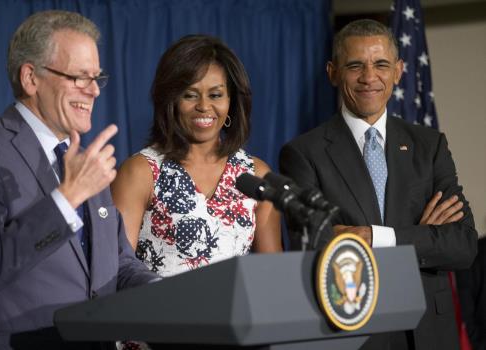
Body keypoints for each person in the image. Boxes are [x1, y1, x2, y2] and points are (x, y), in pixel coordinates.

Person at [0, 10, 158, 350]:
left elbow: (118, 264)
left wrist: (164, 289)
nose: (93, 92)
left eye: (97, 79)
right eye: (79, 77)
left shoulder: (85, 163)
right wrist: (66, 199)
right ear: (31, 78)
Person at [279, 19, 477, 350]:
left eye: (381, 64)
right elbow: (321, 251)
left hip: (431, 332)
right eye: (355, 65)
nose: (369, 77)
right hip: (357, 333)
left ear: (398, 71)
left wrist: (374, 237)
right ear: (332, 72)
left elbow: (463, 244)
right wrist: (423, 237)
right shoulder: (303, 154)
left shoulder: (430, 146)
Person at [111, 34, 282, 278]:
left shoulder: (256, 175)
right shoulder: (141, 171)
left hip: (234, 314)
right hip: (158, 313)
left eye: (215, 95)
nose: (203, 106)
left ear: (231, 102)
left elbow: (273, 274)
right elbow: (116, 270)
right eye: (190, 95)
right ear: (171, 100)